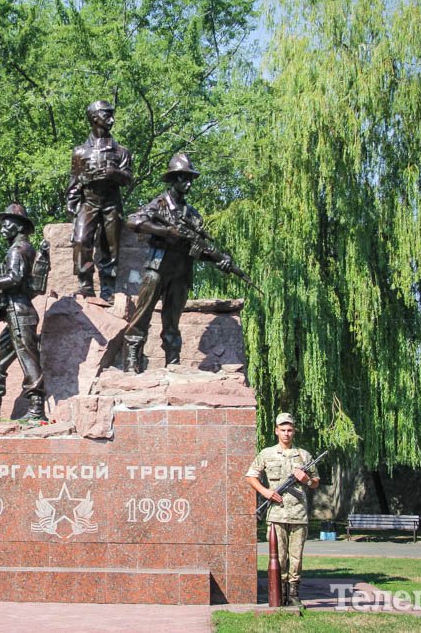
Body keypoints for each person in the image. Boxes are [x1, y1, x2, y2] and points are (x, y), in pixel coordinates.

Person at [122, 152, 232, 372]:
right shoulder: (159, 204)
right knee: (142, 315)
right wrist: (165, 232)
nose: (189, 183)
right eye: (183, 178)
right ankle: (132, 359)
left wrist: (219, 260)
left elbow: (197, 250)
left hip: (181, 272)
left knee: (172, 321)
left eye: (190, 179)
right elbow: (133, 221)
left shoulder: (193, 215)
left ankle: (173, 361)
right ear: (173, 179)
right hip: (157, 269)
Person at [0, 203, 46, 422]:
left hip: (20, 314)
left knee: (29, 361)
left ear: (19, 226)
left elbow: (15, 278)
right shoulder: (22, 248)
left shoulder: (18, 249)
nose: (2, 229)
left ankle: (36, 411)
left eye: (7, 224)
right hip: (14, 315)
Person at [245, 412, 320, 608]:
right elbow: (251, 476)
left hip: (298, 515)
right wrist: (266, 492)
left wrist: (306, 480)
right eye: (283, 430)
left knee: (296, 556)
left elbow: (315, 482)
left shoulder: (304, 455)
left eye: (290, 430)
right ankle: (280, 592)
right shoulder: (266, 454)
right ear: (276, 431)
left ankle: (293, 593)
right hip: (276, 514)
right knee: (279, 556)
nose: (286, 433)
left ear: (294, 431)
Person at [66, 99, 133, 303]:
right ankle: (85, 284)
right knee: (81, 240)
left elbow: (128, 179)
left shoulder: (121, 151)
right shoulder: (80, 152)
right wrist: (72, 206)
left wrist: (114, 173)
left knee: (110, 246)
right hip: (88, 203)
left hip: (111, 204)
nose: (112, 120)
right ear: (94, 118)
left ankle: (108, 288)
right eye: (107, 115)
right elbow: (74, 181)